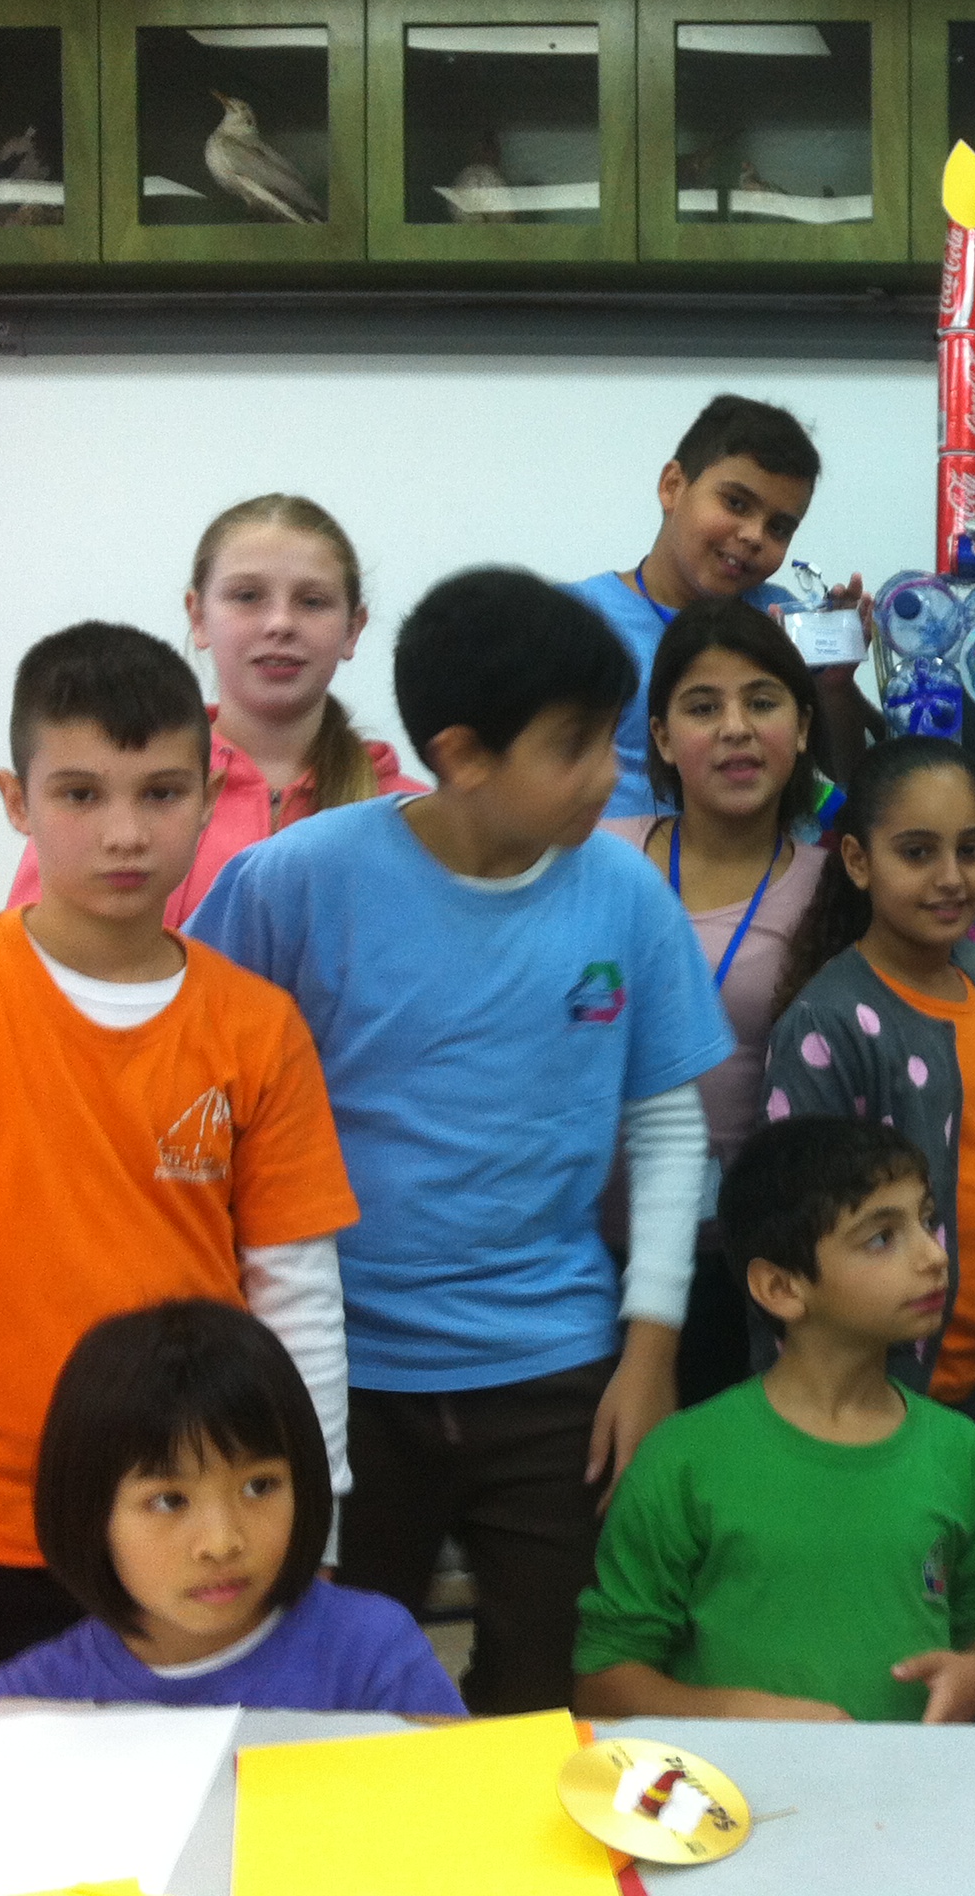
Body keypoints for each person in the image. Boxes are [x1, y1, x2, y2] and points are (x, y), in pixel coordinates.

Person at [188, 569, 735, 1715]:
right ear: (463, 755)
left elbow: (666, 1124)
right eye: (573, 747)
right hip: (339, 1373)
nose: (609, 774)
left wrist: (650, 1352)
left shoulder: (623, 894)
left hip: (555, 1368)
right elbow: (197, 1088)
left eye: (611, 737)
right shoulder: (295, 883)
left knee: (550, 1693)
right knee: (329, 1692)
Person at [0, 624, 358, 1706]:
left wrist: (315, 1518)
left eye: (160, 793)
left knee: (203, 1794)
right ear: (16, 801)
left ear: (209, 796)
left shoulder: (256, 1027)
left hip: (193, 1528)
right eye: (80, 794)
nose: (124, 832)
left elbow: (298, 1291)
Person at [572, 1115, 975, 1724]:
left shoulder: (961, 1453)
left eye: (927, 1222)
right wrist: (741, 1715)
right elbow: (602, 1683)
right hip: (733, 1783)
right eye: (882, 1238)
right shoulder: (684, 1460)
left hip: (908, 1781)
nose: (934, 1256)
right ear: (781, 1288)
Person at [0, 1302, 461, 1715]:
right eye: (169, 1500)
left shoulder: (372, 1654)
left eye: (259, 1486)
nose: (222, 1543)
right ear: (88, 1513)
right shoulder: (20, 1709)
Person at [765, 737, 975, 1475]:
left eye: (970, 850)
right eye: (917, 853)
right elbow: (797, 1236)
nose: (951, 878)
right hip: (857, 1413)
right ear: (858, 862)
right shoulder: (831, 1023)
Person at [599, 601, 829, 1406]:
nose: (736, 729)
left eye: (762, 702)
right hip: (585, 1255)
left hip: (756, 1267)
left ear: (803, 727)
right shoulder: (601, 858)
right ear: (662, 738)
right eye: (703, 708)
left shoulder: (834, 889)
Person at [5, 494, 420, 925]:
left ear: (353, 629)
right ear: (199, 616)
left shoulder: (411, 816)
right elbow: (35, 955)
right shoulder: (108, 789)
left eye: (312, 601)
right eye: (247, 596)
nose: (280, 623)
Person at [562, 395, 876, 821]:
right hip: (610, 856)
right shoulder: (574, 621)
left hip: (758, 856)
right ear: (673, 486)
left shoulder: (781, 621)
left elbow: (851, 779)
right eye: (736, 503)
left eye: (779, 527)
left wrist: (835, 687)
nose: (754, 536)